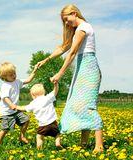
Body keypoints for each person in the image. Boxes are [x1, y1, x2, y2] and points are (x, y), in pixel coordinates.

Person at [37, 4, 103, 152]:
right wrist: (46, 60)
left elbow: (72, 53)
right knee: (79, 106)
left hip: (89, 69)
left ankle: (99, 146)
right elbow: (63, 48)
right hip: (82, 69)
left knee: (88, 107)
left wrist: (59, 74)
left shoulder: (83, 28)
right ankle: (84, 144)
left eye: (67, 19)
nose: (66, 23)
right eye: (65, 21)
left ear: (74, 13)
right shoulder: (77, 31)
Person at [0, 61, 38, 145]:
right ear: (4, 76)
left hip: (15, 110)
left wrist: (35, 70)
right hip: (7, 112)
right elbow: (5, 97)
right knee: (5, 129)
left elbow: (28, 80)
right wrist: (11, 105)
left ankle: (22, 136)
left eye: (14, 73)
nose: (14, 76)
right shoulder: (5, 86)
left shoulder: (17, 82)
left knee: (26, 120)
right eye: (11, 75)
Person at [16, 82, 62, 149]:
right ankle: (57, 143)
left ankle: (39, 149)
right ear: (44, 92)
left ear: (33, 95)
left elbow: (24, 108)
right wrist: (56, 84)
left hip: (43, 125)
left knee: (39, 137)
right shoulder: (48, 98)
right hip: (53, 123)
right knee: (57, 134)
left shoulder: (33, 103)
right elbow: (55, 91)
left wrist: (16, 107)